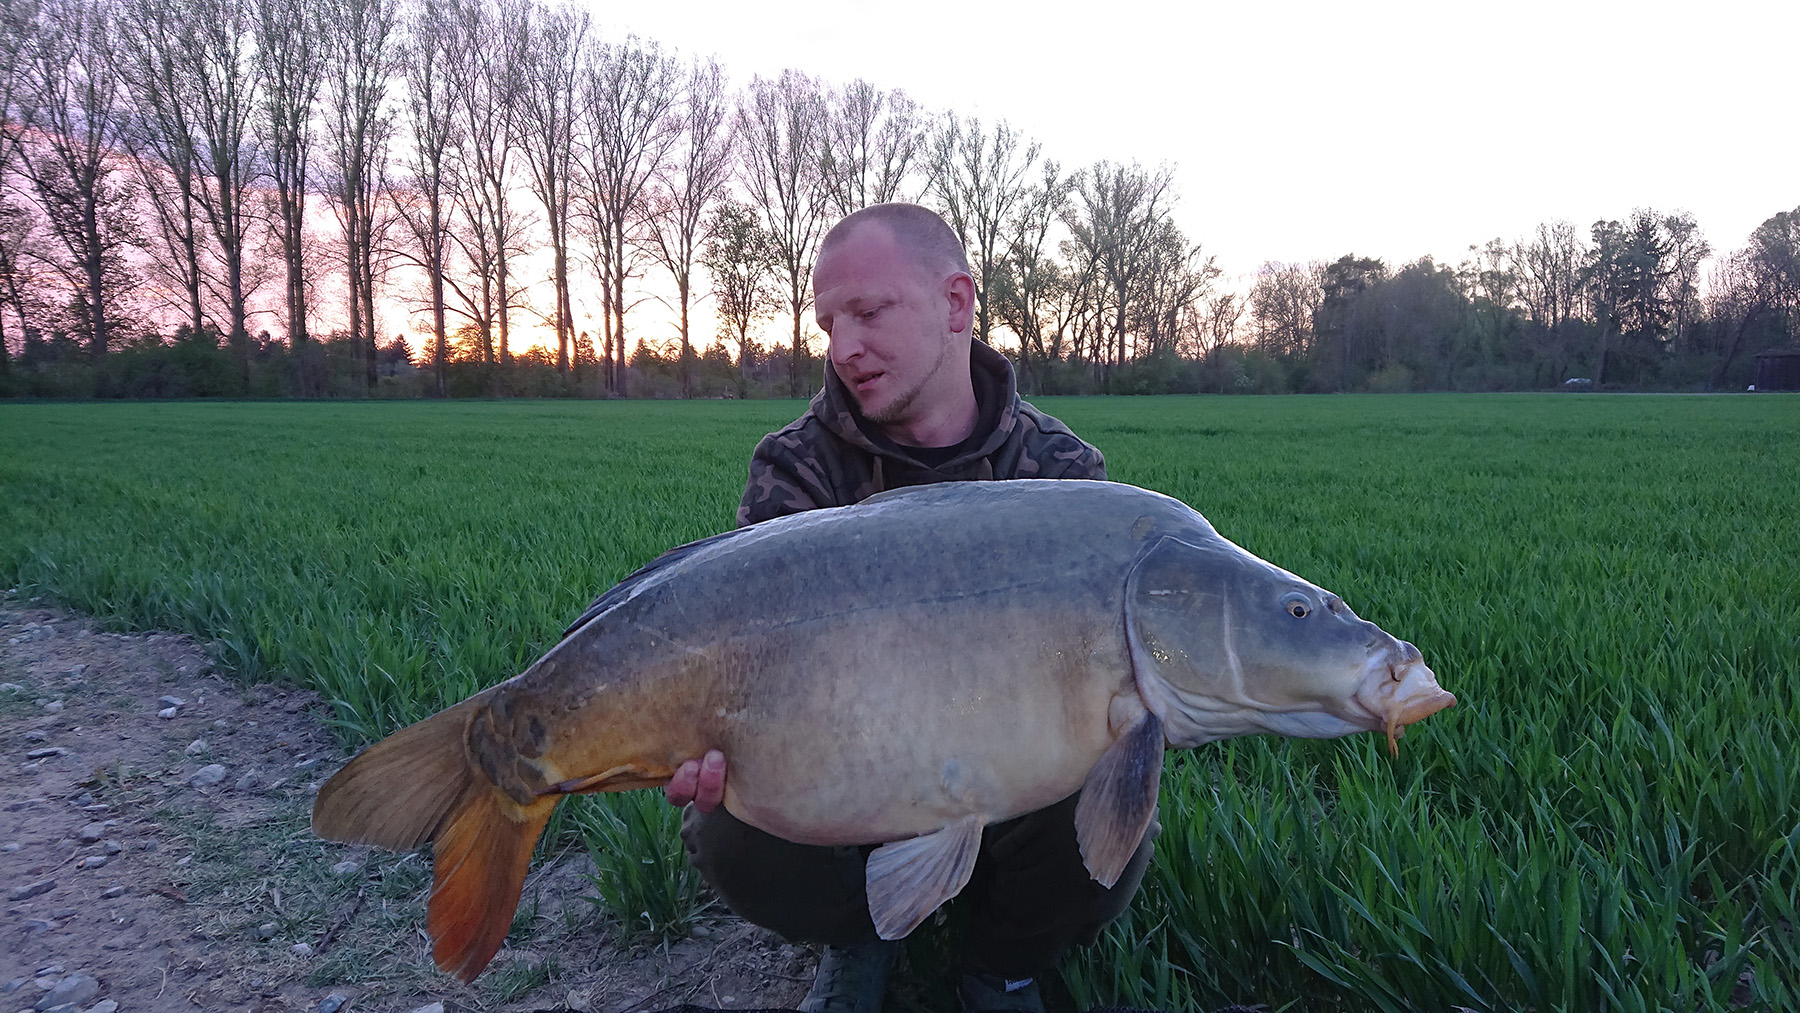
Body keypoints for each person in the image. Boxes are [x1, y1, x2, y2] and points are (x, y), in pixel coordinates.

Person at [666, 203, 1156, 1013]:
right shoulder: (796, 466)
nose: (842, 348)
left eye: (868, 312)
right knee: (728, 828)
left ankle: (1000, 962)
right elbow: (758, 658)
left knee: (1119, 773)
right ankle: (860, 935)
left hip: (1010, 772)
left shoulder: (1061, 474)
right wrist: (713, 723)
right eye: (830, 324)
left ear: (956, 303)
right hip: (849, 766)